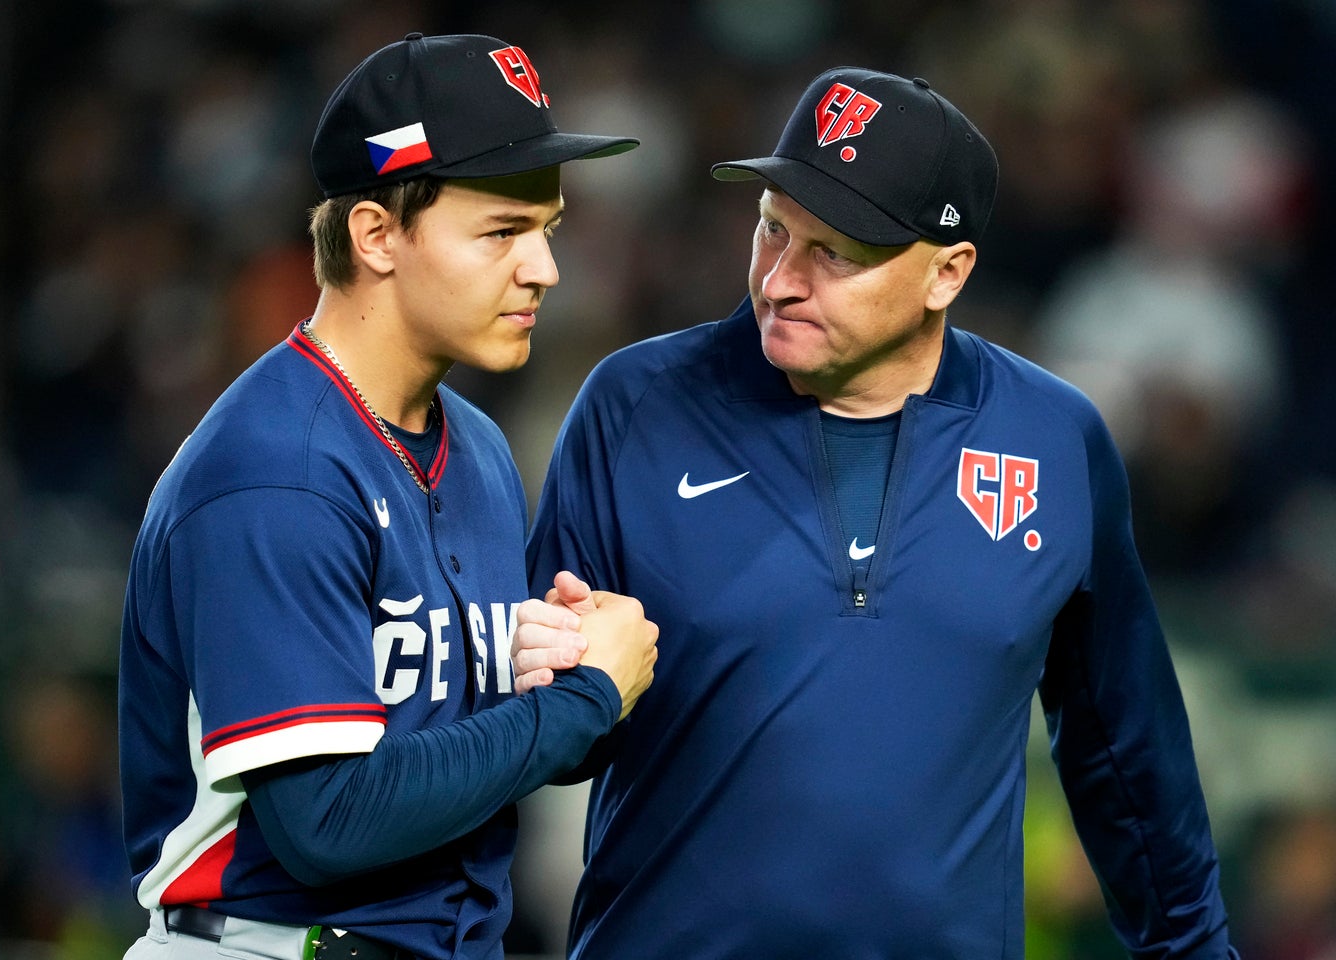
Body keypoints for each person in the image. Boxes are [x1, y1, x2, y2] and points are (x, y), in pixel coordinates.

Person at [519, 67, 1240, 957]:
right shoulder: (636, 407)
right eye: (771, 230)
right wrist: (556, 679)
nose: (780, 280)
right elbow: (551, 733)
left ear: (947, 273)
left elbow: (1126, 754)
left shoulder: (1053, 439)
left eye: (836, 252)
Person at [118, 32, 657, 960]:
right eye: (501, 232)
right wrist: (579, 706)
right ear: (375, 235)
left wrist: (565, 673)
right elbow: (327, 821)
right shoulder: (275, 470)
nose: (544, 269)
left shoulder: (477, 448)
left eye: (547, 231)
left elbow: (476, 759)